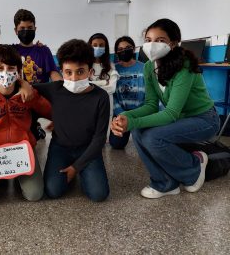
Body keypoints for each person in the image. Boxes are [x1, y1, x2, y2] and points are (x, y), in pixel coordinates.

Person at [111, 18, 220, 199]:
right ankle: (165, 183)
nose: (152, 44)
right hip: (182, 119)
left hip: (205, 119)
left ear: (174, 43)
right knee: (139, 131)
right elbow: (151, 106)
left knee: (153, 137)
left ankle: (195, 166)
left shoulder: (184, 66)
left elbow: (170, 113)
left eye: (160, 40)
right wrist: (124, 116)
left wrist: (132, 122)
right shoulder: (148, 67)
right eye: (148, 39)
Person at [0, 45, 52, 206]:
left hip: (23, 152)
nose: (6, 72)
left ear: (18, 71)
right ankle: (1, 180)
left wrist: (31, 95)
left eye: (11, 68)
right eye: (0, 68)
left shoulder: (27, 94)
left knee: (34, 194)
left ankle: (16, 178)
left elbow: (49, 111)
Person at [34, 39, 110, 202]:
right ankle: (75, 170)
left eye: (80, 71)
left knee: (99, 194)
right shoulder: (55, 89)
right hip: (60, 148)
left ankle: (82, 170)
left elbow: (99, 139)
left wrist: (76, 168)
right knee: (53, 191)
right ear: (61, 71)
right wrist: (22, 84)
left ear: (90, 71)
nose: (74, 78)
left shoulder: (101, 97)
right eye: (68, 72)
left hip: (88, 148)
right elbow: (28, 86)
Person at [13, 8, 62, 140]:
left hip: (41, 97)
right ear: (16, 31)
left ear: (35, 29)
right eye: (22, 28)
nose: (26, 31)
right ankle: (35, 127)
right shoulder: (12, 50)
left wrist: (64, 90)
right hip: (22, 99)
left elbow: (53, 73)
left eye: (30, 27)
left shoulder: (43, 50)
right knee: (29, 136)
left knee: (64, 117)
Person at [109, 36, 145, 149]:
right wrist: (120, 113)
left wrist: (139, 113)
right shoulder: (114, 69)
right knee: (116, 145)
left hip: (140, 112)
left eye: (128, 47)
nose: (124, 51)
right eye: (120, 49)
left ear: (133, 49)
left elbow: (150, 94)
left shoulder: (144, 68)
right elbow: (112, 93)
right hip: (121, 113)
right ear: (116, 53)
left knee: (145, 143)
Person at [88, 33, 119, 122]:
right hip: (88, 106)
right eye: (94, 45)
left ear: (106, 48)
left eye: (101, 45)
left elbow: (111, 89)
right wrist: (104, 82)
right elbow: (83, 85)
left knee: (104, 135)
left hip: (106, 106)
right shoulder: (85, 66)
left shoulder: (111, 66)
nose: (98, 47)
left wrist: (91, 85)